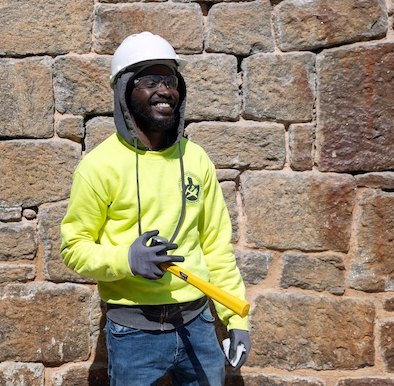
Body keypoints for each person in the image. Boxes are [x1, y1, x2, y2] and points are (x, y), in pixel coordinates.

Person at [60, 32, 251, 386]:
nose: (165, 90)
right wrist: (126, 261)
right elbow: (74, 248)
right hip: (134, 334)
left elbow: (216, 249)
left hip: (199, 326)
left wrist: (235, 319)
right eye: (150, 81)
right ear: (124, 93)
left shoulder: (196, 160)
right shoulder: (99, 166)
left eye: (170, 80)